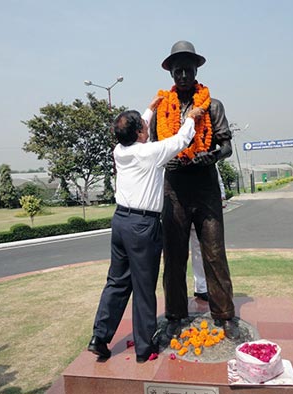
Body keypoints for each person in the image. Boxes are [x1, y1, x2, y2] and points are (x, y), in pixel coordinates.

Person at [88, 96, 204, 363]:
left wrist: (150, 109)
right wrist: (191, 118)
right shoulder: (149, 153)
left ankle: (100, 337)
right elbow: (180, 141)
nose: (147, 127)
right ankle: (144, 347)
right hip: (143, 226)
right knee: (143, 287)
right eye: (144, 125)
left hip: (120, 222)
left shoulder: (120, 150)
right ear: (140, 132)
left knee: (116, 283)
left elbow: (137, 127)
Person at [150, 40, 240, 340]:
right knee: (173, 256)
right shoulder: (163, 108)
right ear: (172, 74)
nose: (184, 75)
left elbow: (226, 144)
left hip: (205, 186)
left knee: (214, 252)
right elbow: (154, 147)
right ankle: (175, 313)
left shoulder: (212, 105)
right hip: (174, 186)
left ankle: (225, 315)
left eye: (188, 69)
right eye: (178, 71)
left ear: (196, 70)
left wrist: (212, 155)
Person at [191, 164, 226, 302]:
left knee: (199, 250)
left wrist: (221, 195)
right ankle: (176, 296)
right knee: (176, 255)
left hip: (201, 207)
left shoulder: (204, 153)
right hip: (178, 208)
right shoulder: (173, 149)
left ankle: (201, 287)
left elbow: (216, 176)